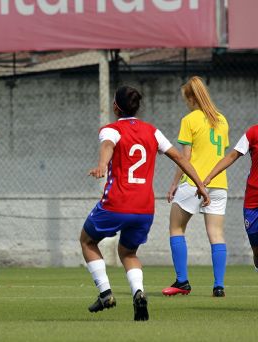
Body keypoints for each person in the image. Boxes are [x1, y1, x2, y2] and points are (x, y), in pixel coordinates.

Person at [81, 86, 209, 321]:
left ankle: (105, 292)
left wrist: (101, 165)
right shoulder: (153, 132)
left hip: (116, 203)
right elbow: (180, 157)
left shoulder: (111, 129)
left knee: (87, 240)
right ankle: (138, 292)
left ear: (115, 107)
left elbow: (108, 145)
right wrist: (200, 185)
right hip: (144, 208)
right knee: (128, 251)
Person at [162, 76, 229, 298]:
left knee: (176, 229)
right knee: (217, 234)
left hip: (193, 183)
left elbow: (185, 158)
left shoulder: (189, 120)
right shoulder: (222, 120)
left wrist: (173, 184)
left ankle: (182, 282)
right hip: (219, 184)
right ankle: (218, 286)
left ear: (191, 97)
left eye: (186, 98)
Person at [203, 125, 258, 271]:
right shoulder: (253, 133)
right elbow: (232, 155)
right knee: (256, 248)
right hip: (253, 199)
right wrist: (209, 177)